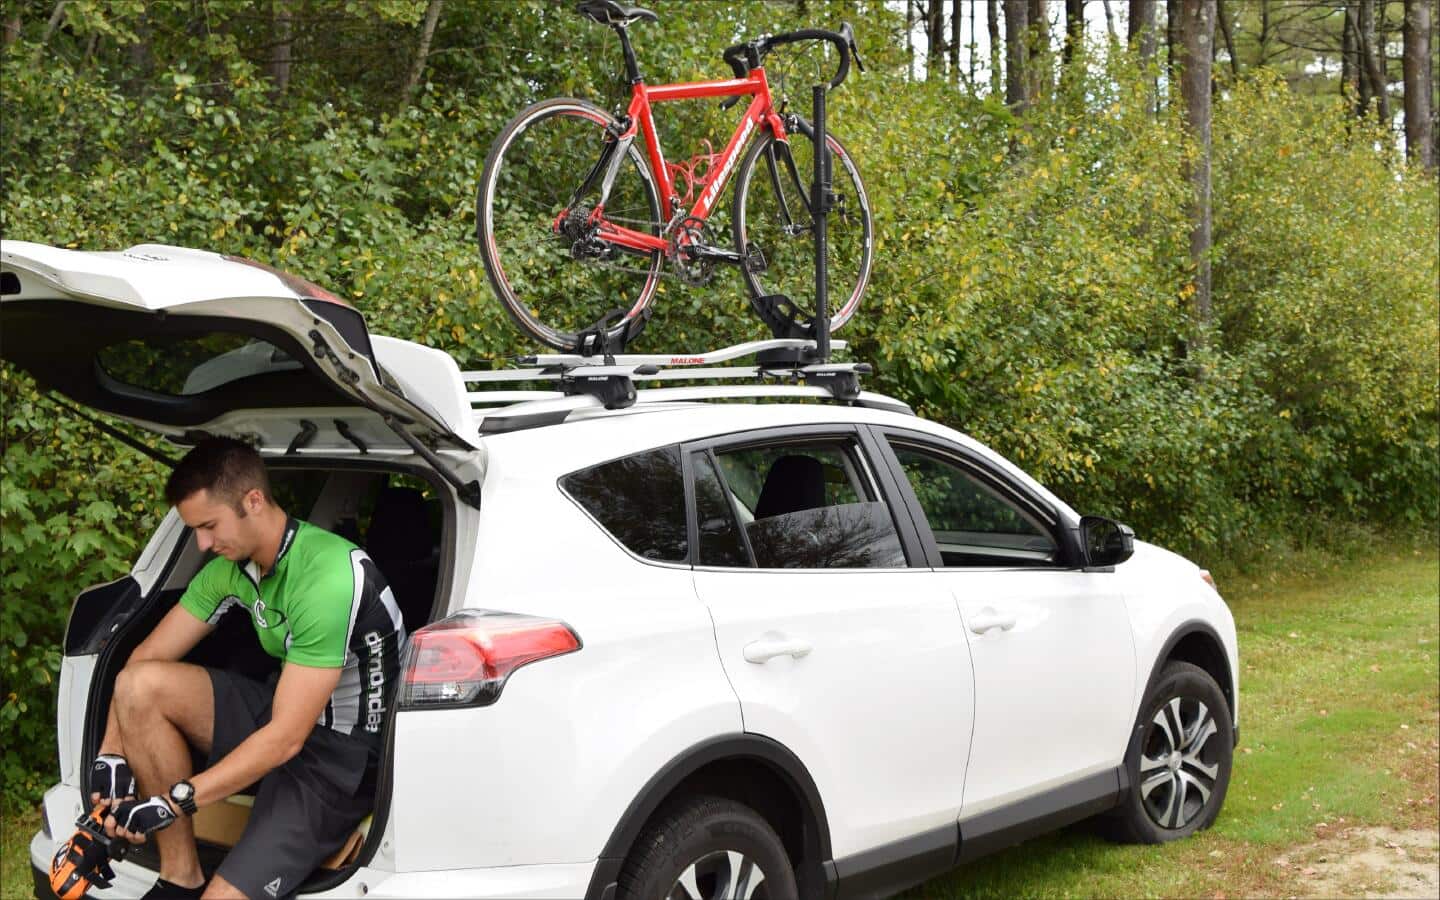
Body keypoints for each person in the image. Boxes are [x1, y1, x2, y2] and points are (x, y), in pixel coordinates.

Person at [92, 438, 405, 900]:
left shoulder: (327, 577)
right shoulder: (233, 567)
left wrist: (173, 801)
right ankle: (179, 876)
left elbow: (286, 739)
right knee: (141, 686)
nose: (203, 543)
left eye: (209, 526)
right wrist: (110, 757)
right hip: (286, 711)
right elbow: (142, 662)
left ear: (253, 501)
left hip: (341, 758)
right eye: (195, 530)